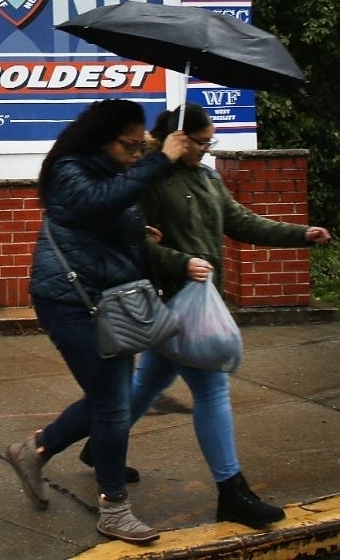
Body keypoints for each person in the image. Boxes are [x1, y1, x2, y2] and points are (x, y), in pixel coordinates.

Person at [129, 103, 332, 527]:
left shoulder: (207, 177)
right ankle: (232, 491)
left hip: (199, 300)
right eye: (202, 142)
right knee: (212, 389)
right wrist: (179, 262)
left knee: (150, 380)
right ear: (180, 139)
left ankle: (98, 443)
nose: (207, 149)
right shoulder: (150, 179)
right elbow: (131, 243)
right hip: (171, 300)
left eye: (210, 142)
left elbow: (242, 222)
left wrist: (300, 234)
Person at [6, 99, 189, 544]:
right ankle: (114, 507)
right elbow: (95, 204)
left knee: (114, 396)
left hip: (105, 299)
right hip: (69, 300)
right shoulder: (71, 168)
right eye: (130, 146)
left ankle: (34, 450)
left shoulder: (109, 169)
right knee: (112, 401)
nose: (135, 154)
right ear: (102, 140)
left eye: (140, 146)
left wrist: (137, 234)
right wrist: (162, 158)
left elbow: (103, 218)